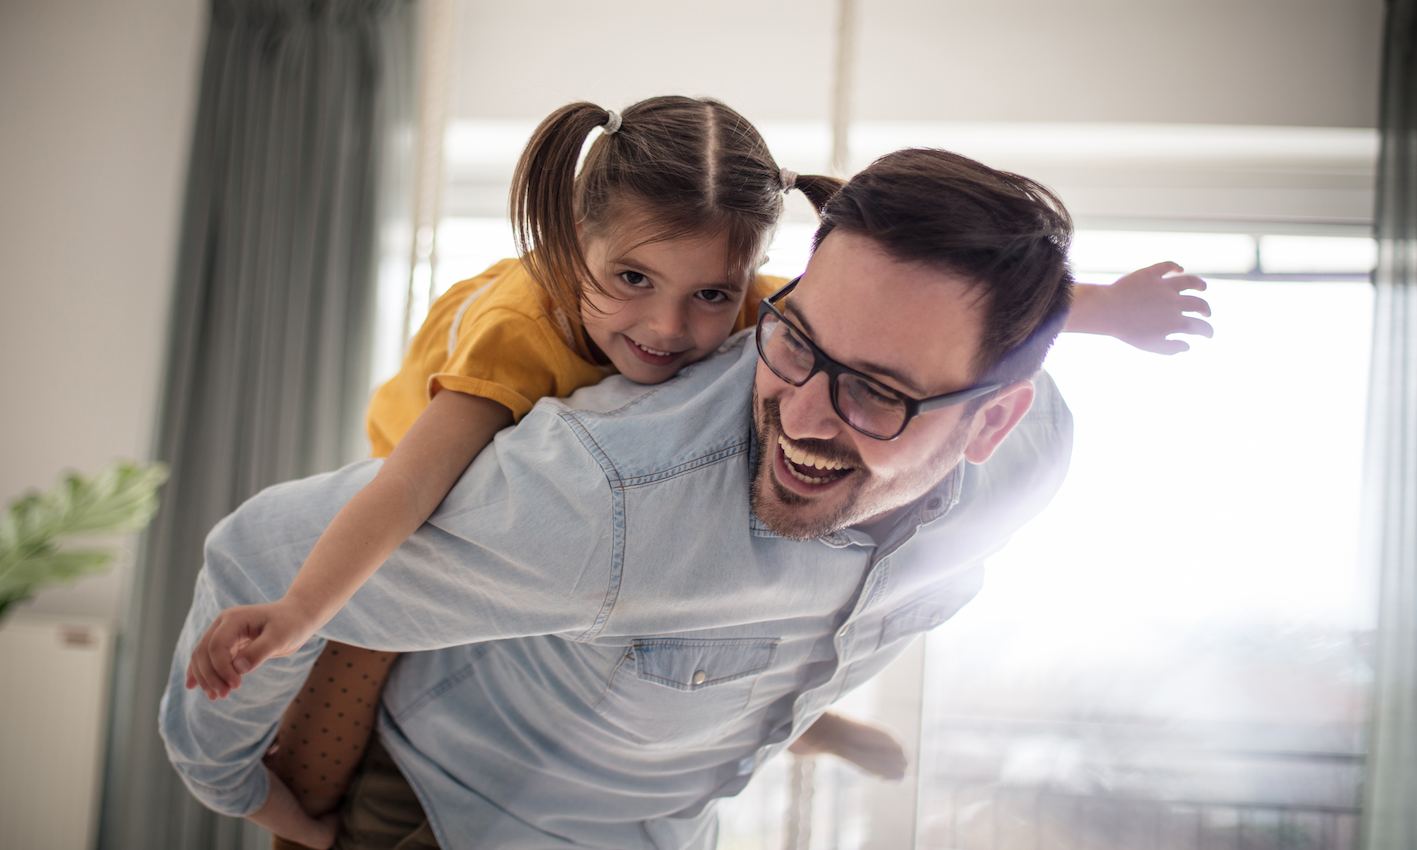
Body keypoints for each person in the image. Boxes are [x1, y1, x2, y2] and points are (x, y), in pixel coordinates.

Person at [171, 135, 1207, 847]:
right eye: (793, 341)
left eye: (880, 394)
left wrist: (1108, 308)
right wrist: (229, 782)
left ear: (993, 420)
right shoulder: (603, 498)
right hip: (462, 819)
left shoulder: (1033, 461)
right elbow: (261, 557)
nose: (803, 413)